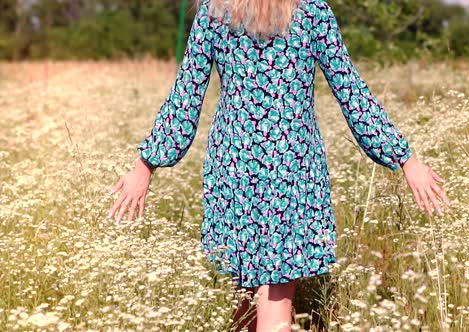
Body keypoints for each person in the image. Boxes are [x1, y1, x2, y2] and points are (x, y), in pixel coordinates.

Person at [107, 0, 450, 330]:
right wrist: (405, 159)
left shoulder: (216, 12)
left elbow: (186, 96)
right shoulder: (311, 11)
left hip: (234, 174)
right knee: (273, 307)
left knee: (247, 303)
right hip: (292, 174)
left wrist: (146, 164)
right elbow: (351, 93)